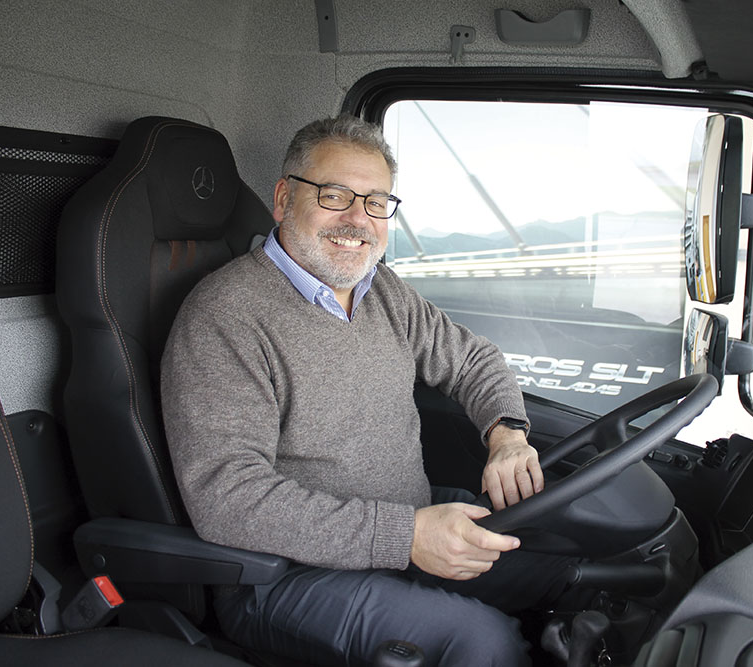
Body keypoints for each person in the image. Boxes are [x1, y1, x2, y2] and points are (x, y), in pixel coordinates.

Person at [161, 115, 575, 666]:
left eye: (377, 202)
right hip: (283, 577)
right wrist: (404, 537)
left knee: (566, 568)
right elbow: (227, 496)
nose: (359, 220)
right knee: (482, 644)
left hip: (407, 523)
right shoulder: (226, 316)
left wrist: (507, 435)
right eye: (335, 196)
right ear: (284, 200)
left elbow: (472, 359)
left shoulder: (380, 290)